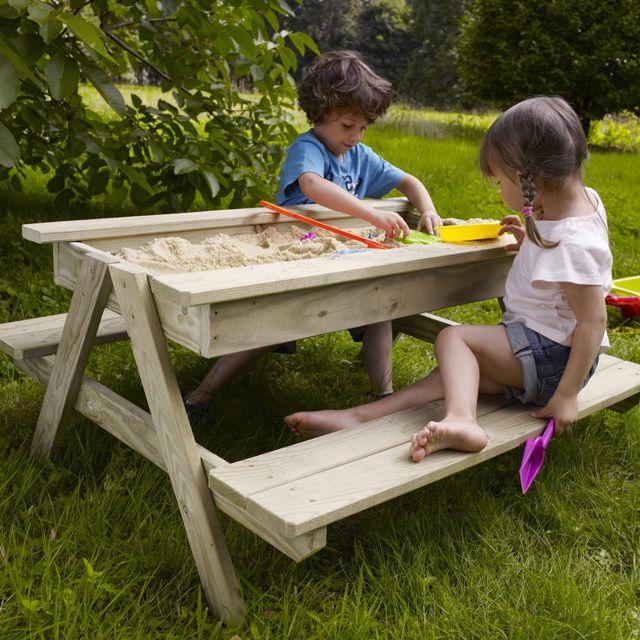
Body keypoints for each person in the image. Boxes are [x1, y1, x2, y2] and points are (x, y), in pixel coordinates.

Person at [285, 96, 612, 465]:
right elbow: (563, 272)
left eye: (499, 180)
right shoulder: (580, 202)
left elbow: (593, 320)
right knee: (452, 375)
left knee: (454, 340)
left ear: (525, 179)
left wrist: (566, 395)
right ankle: (358, 417)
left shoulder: (570, 245)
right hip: (550, 356)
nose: (499, 188)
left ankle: (462, 421)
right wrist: (530, 240)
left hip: (552, 358)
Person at [183, 50, 441, 426]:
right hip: (296, 253)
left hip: (343, 255)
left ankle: (383, 392)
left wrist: (429, 209)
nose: (355, 137)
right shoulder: (309, 148)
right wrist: (371, 213)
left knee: (381, 308)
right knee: (270, 324)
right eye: (347, 126)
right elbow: (312, 185)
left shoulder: (360, 154)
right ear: (319, 114)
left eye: (363, 128)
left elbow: (408, 181)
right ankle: (201, 395)